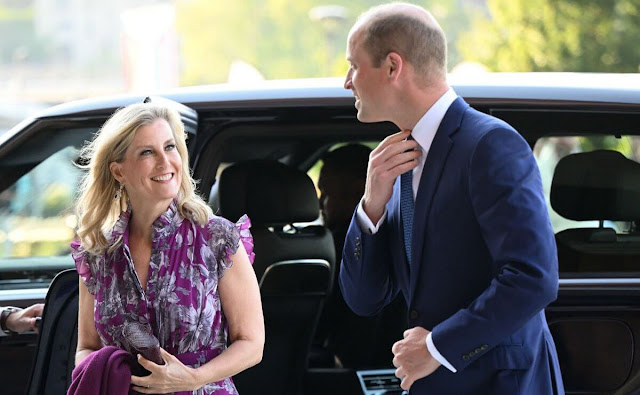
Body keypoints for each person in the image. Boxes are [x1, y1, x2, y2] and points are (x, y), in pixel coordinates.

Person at [339, 3, 564, 394]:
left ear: (393, 67)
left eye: (354, 66)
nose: (347, 81)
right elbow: (364, 300)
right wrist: (371, 206)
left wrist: (437, 347)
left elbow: (533, 278)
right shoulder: (395, 161)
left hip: (501, 384)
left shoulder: (490, 144)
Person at [71, 102, 264, 394]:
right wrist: (106, 373)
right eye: (147, 152)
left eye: (170, 147)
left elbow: (252, 344)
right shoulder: (98, 253)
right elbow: (86, 347)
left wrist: (193, 378)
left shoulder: (217, 238)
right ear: (119, 172)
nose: (165, 162)